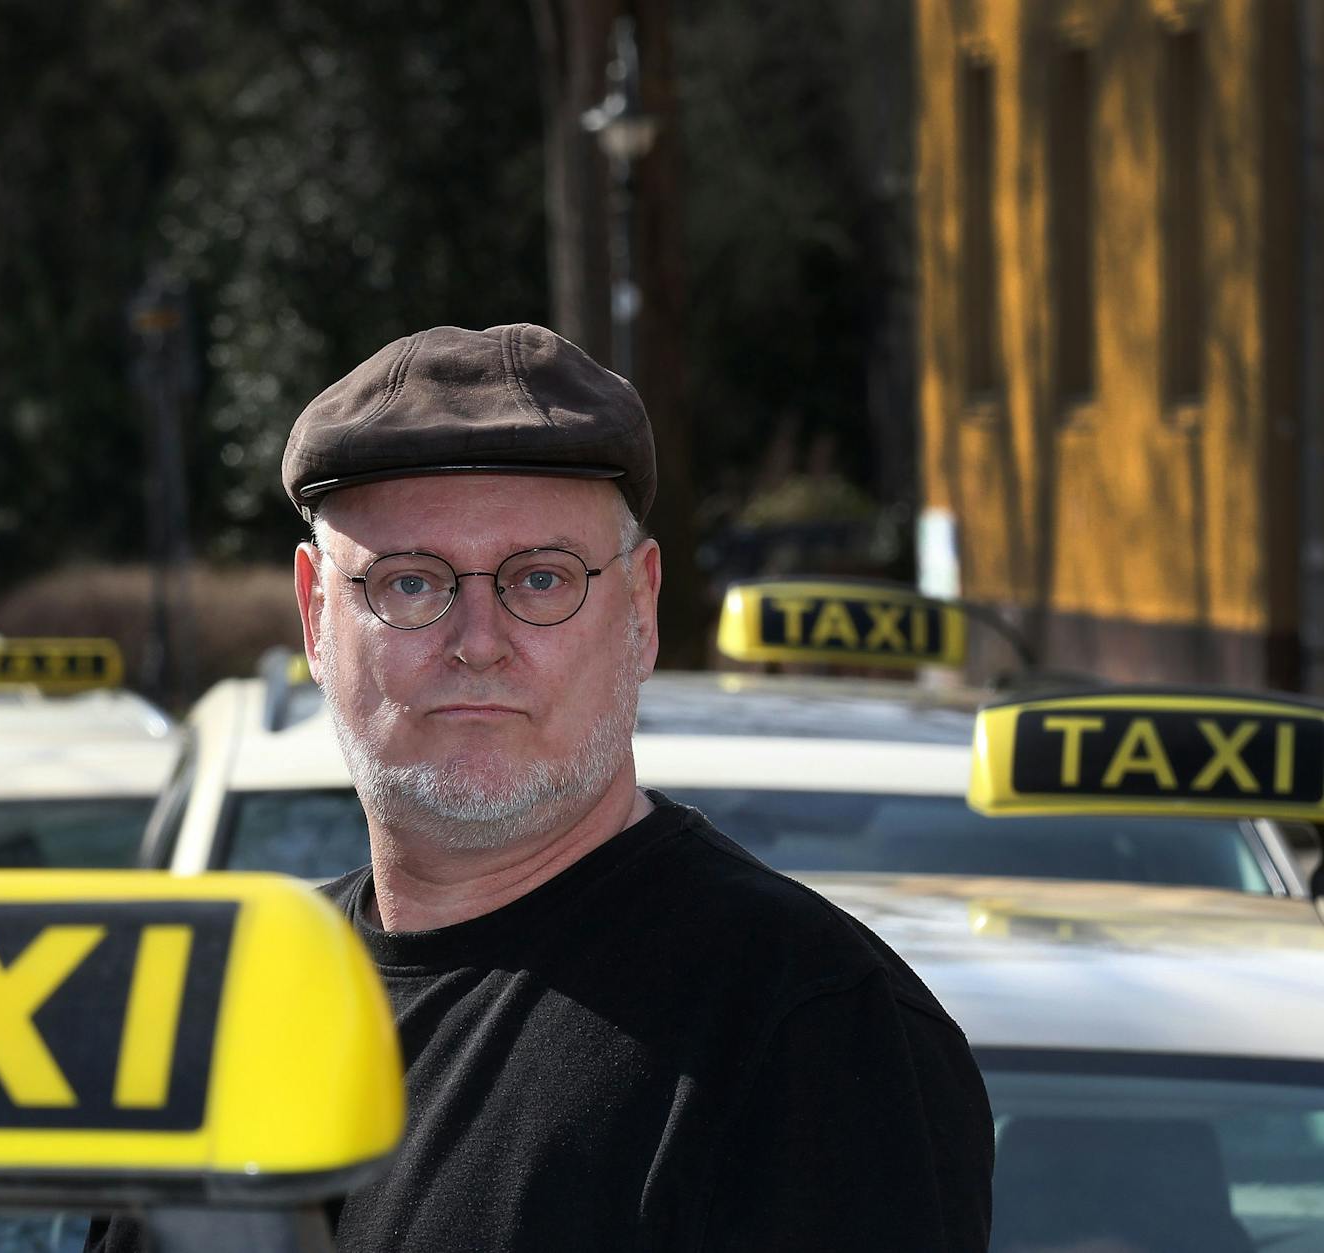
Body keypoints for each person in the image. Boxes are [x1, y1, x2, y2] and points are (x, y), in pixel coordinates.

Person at [88, 324, 994, 1251]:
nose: (478, 640)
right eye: (409, 584)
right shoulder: (229, 1016)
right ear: (316, 615)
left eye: (541, 578)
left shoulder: (806, 1030)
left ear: (640, 610)